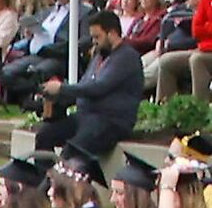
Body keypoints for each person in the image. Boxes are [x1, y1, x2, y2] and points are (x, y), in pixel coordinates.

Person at [36, 10, 144, 156]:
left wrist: (61, 88)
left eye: (97, 37)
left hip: (110, 122)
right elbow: (83, 86)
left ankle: (61, 177)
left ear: (112, 33)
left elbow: (99, 87)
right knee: (45, 135)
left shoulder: (127, 57)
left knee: (71, 152)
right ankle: (45, 177)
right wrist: (51, 93)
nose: (93, 41)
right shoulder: (99, 56)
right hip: (85, 117)